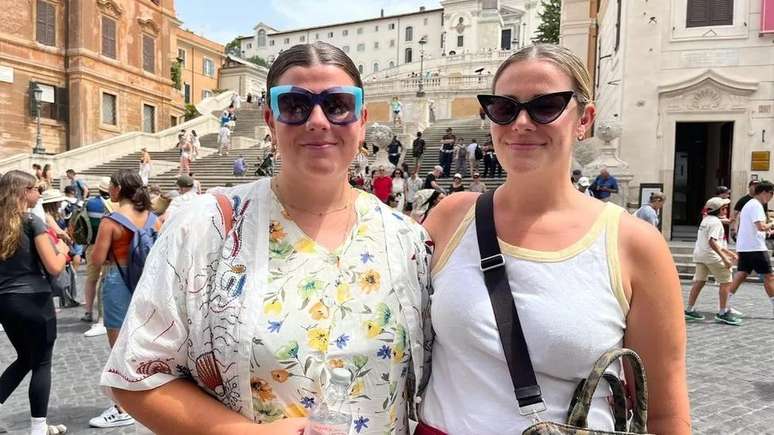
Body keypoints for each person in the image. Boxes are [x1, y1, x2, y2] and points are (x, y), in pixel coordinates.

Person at [101, 41, 431, 435]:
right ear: (270, 120)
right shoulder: (206, 226)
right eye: (294, 105)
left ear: (361, 119)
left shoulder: (407, 240)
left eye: (337, 105)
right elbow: (136, 374)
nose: (318, 120)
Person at [419, 44, 690, 434]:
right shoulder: (450, 216)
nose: (521, 123)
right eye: (504, 108)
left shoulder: (634, 244)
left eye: (546, 106)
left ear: (585, 119)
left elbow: (665, 412)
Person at [88, 169, 160, 429]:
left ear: (118, 189)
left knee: (119, 348)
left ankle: (122, 407)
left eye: (111, 186)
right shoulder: (154, 219)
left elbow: (96, 260)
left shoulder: (112, 221)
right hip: (146, 285)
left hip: (118, 284)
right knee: (145, 342)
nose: (109, 190)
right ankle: (148, 397)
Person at [0, 170, 69, 435]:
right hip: (34, 299)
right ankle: (39, 427)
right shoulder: (31, 221)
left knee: (25, 358)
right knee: (41, 362)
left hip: (5, 302)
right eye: (35, 189)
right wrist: (62, 252)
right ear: (22, 192)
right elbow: (54, 267)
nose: (39, 194)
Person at [723, 181, 774, 320]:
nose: (771, 197)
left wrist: (766, 231)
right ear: (765, 192)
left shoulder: (749, 204)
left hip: (745, 246)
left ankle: (725, 304)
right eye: (771, 194)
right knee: (769, 276)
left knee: (741, 274)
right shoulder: (757, 205)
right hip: (755, 247)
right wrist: (772, 223)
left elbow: (756, 228)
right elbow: (760, 226)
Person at [684, 197, 738, 324]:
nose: (725, 210)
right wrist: (725, 258)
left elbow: (710, 242)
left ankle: (690, 309)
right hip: (711, 255)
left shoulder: (706, 220)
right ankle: (722, 312)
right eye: (724, 208)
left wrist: (729, 252)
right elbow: (712, 242)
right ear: (719, 210)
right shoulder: (716, 223)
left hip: (700, 254)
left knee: (699, 282)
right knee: (726, 282)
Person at [79, 177, 114, 333]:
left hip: (92, 245)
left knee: (91, 279)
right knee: (105, 279)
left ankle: (88, 311)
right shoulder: (115, 205)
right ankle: (104, 315)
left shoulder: (90, 203)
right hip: (110, 247)